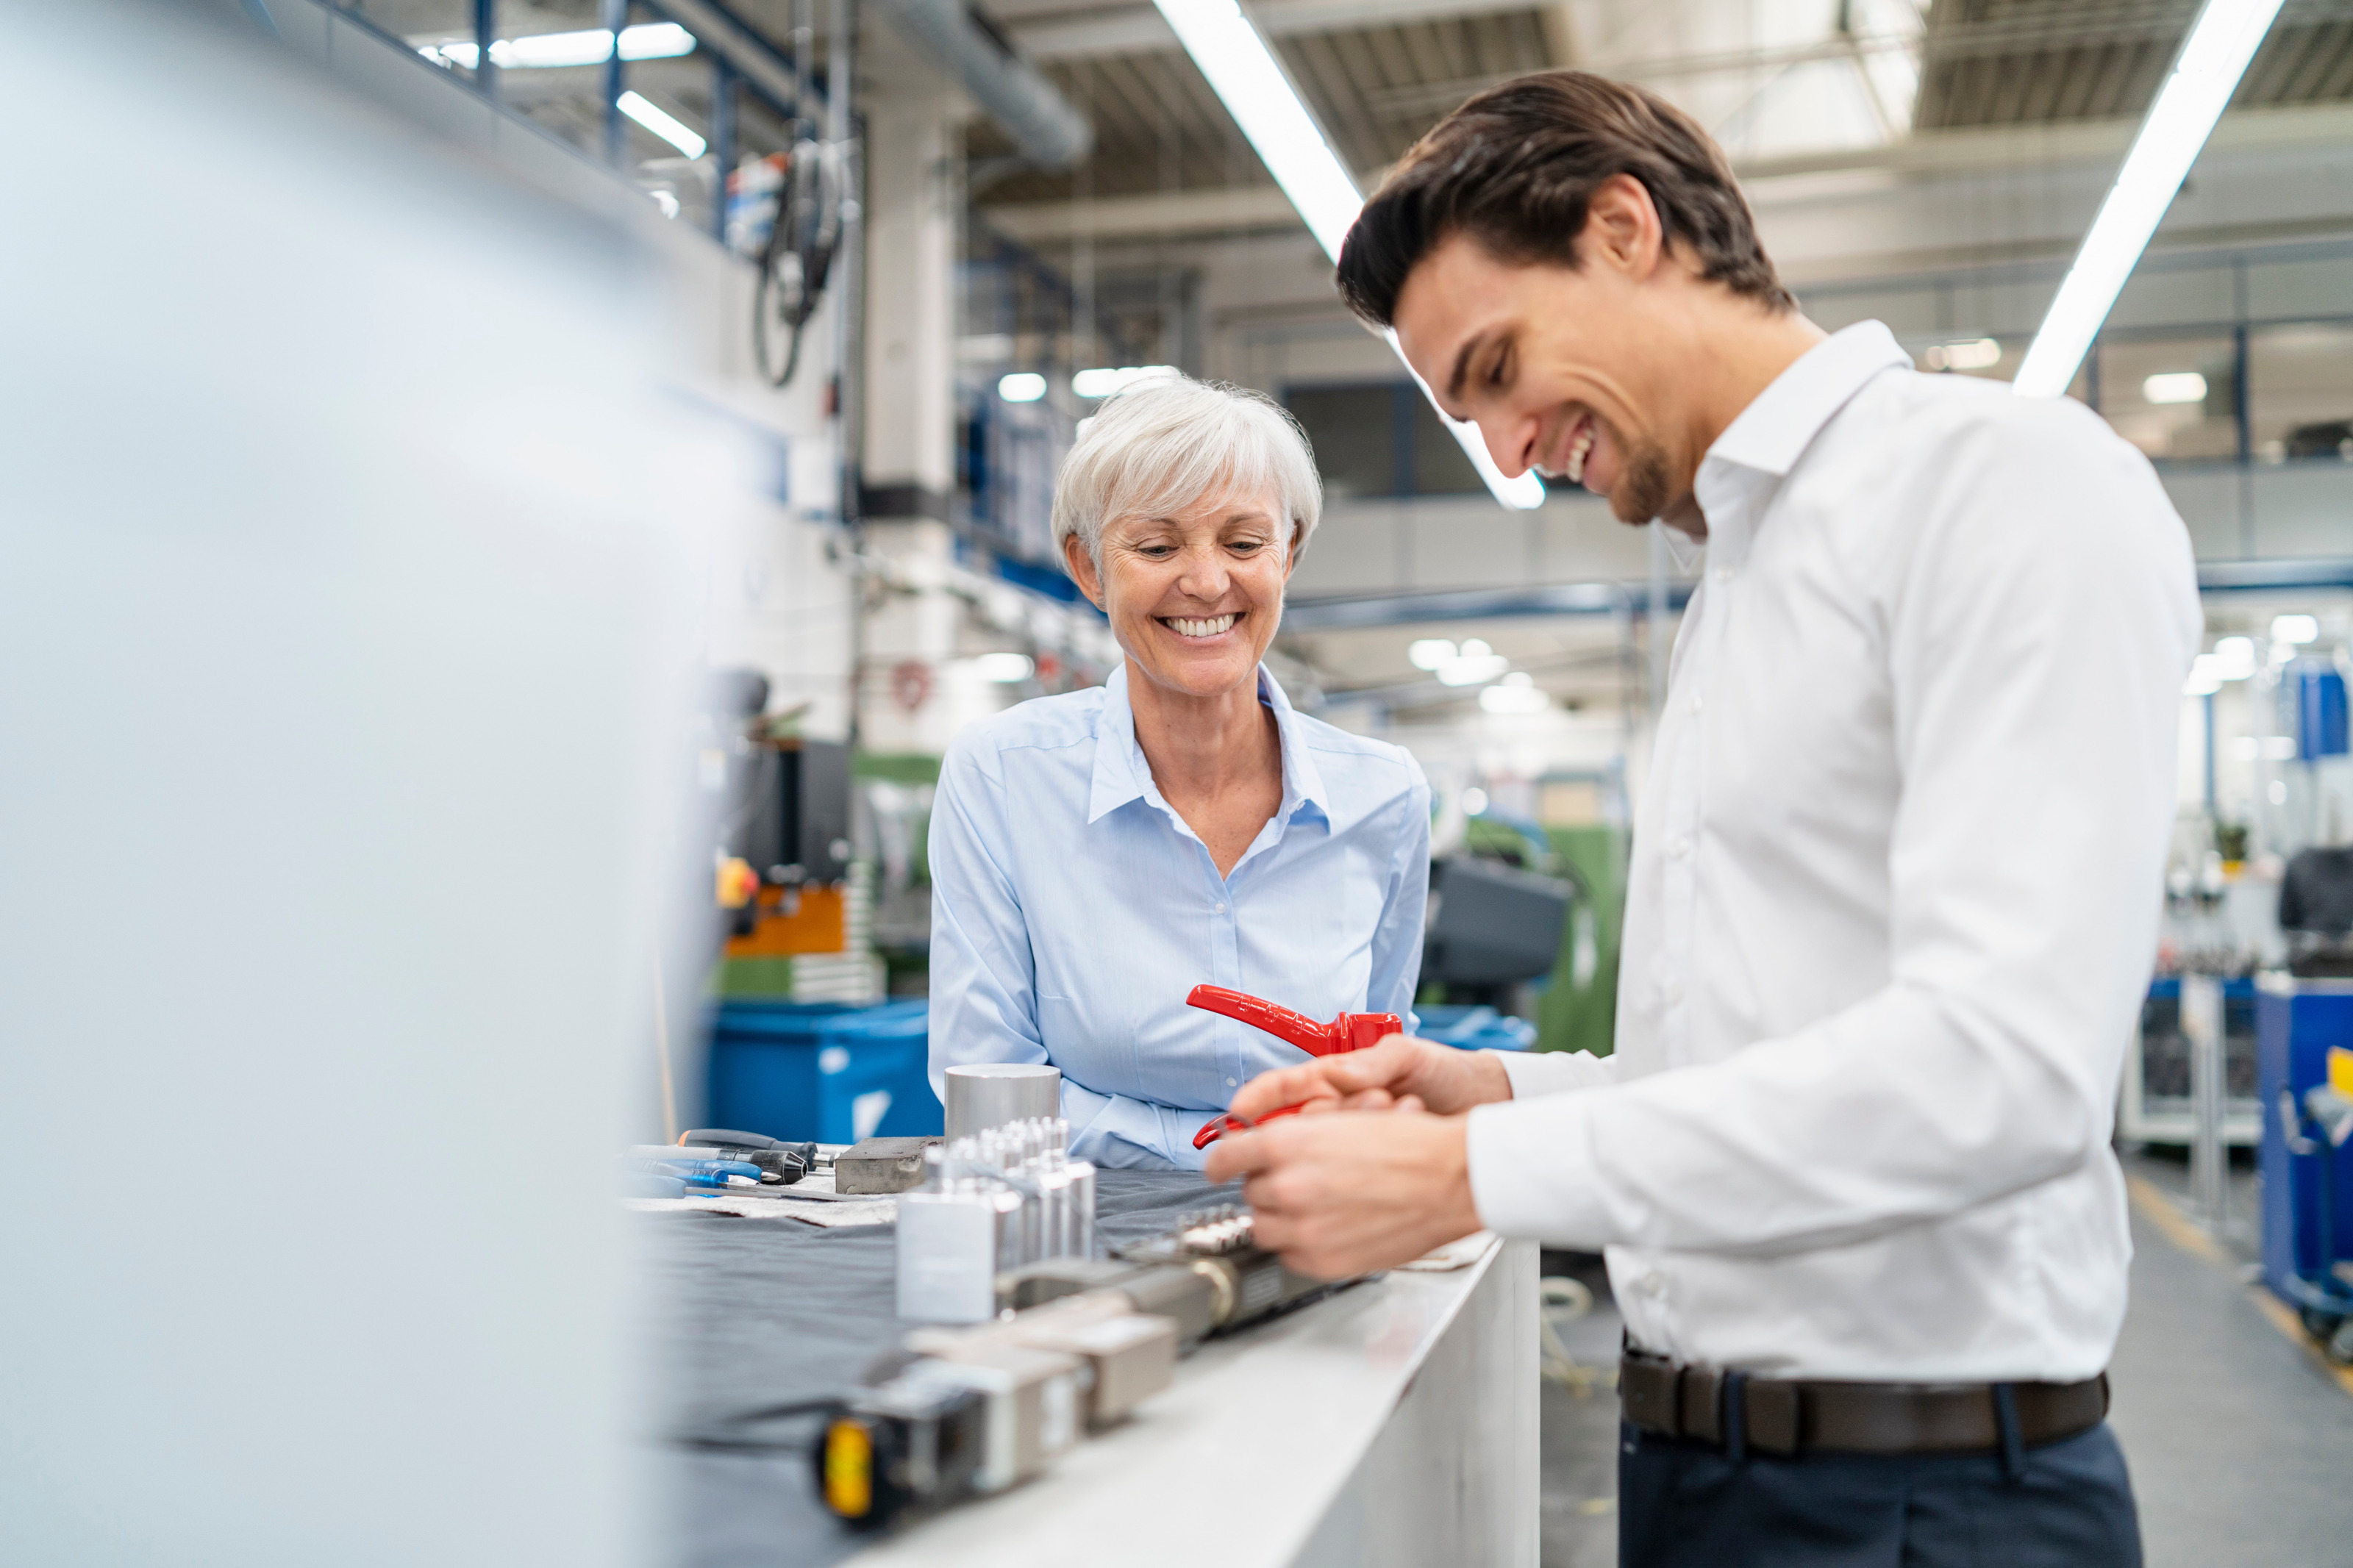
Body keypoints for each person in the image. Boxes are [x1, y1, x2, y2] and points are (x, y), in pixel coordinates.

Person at [1204, 71, 2201, 1567]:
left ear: (1623, 228)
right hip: (1702, 1477)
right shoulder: (1732, 587)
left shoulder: (2000, 487)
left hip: (1920, 1503)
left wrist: (1469, 1182)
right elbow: (1757, 1067)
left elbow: (1999, 1069)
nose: (1507, 453)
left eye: (1495, 368)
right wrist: (1497, 1099)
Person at [927, 373, 1431, 1170]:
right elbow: (988, 1094)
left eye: (1242, 542)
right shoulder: (1002, 779)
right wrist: (1210, 1154)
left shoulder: (1384, 797)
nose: (1204, 581)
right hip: (1078, 1230)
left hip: (1311, 1218)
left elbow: (1374, 1069)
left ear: (1287, 554)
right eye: (1157, 547)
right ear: (1089, 571)